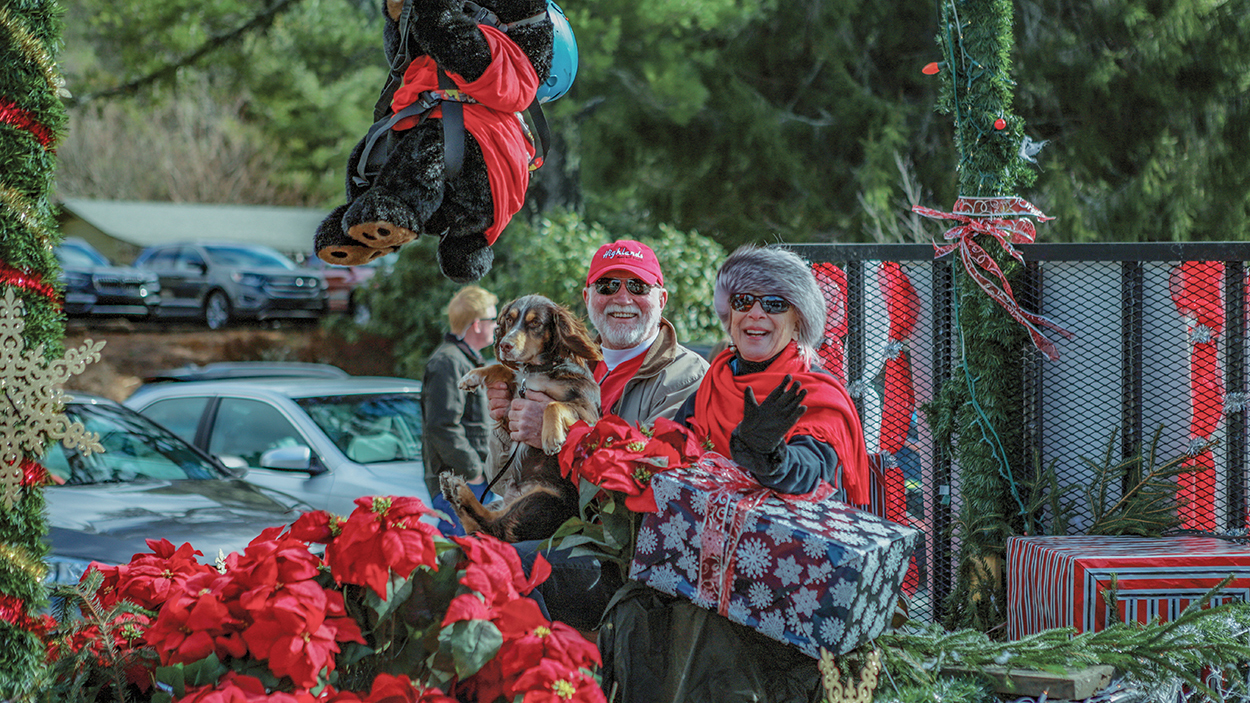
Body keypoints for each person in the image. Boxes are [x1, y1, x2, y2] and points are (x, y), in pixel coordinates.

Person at [599, 245, 872, 703]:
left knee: (708, 637)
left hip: (781, 591)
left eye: (774, 303)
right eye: (743, 301)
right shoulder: (715, 380)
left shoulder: (815, 392)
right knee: (631, 611)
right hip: (695, 564)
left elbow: (812, 472)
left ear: (799, 319)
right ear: (729, 314)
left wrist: (769, 458)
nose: (756, 314)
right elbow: (675, 449)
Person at [486, 239, 709, 630]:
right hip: (550, 527)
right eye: (608, 286)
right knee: (462, 559)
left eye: (637, 286)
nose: (622, 297)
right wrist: (506, 424)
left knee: (507, 569)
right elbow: (503, 475)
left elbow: (653, 482)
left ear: (662, 298)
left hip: (625, 555)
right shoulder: (562, 365)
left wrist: (558, 428)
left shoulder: (686, 376)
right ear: (588, 297)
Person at [422, 285, 498, 535]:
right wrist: (473, 470)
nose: (497, 326)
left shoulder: (465, 359)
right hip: (461, 482)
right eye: (493, 319)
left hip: (473, 480)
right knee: (461, 561)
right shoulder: (448, 362)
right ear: (477, 324)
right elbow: (442, 425)